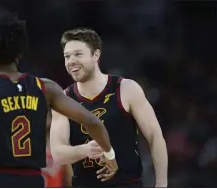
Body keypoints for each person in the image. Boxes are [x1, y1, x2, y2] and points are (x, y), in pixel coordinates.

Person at [0, 15, 118, 187]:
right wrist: (109, 154)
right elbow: (92, 121)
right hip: (32, 180)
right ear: (20, 52)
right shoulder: (46, 88)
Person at [50, 28, 168, 187]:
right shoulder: (64, 99)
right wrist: (85, 150)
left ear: (95, 55)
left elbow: (155, 137)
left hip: (127, 183)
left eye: (78, 54)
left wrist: (161, 184)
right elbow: (57, 153)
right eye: (67, 56)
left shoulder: (126, 88)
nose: (71, 61)